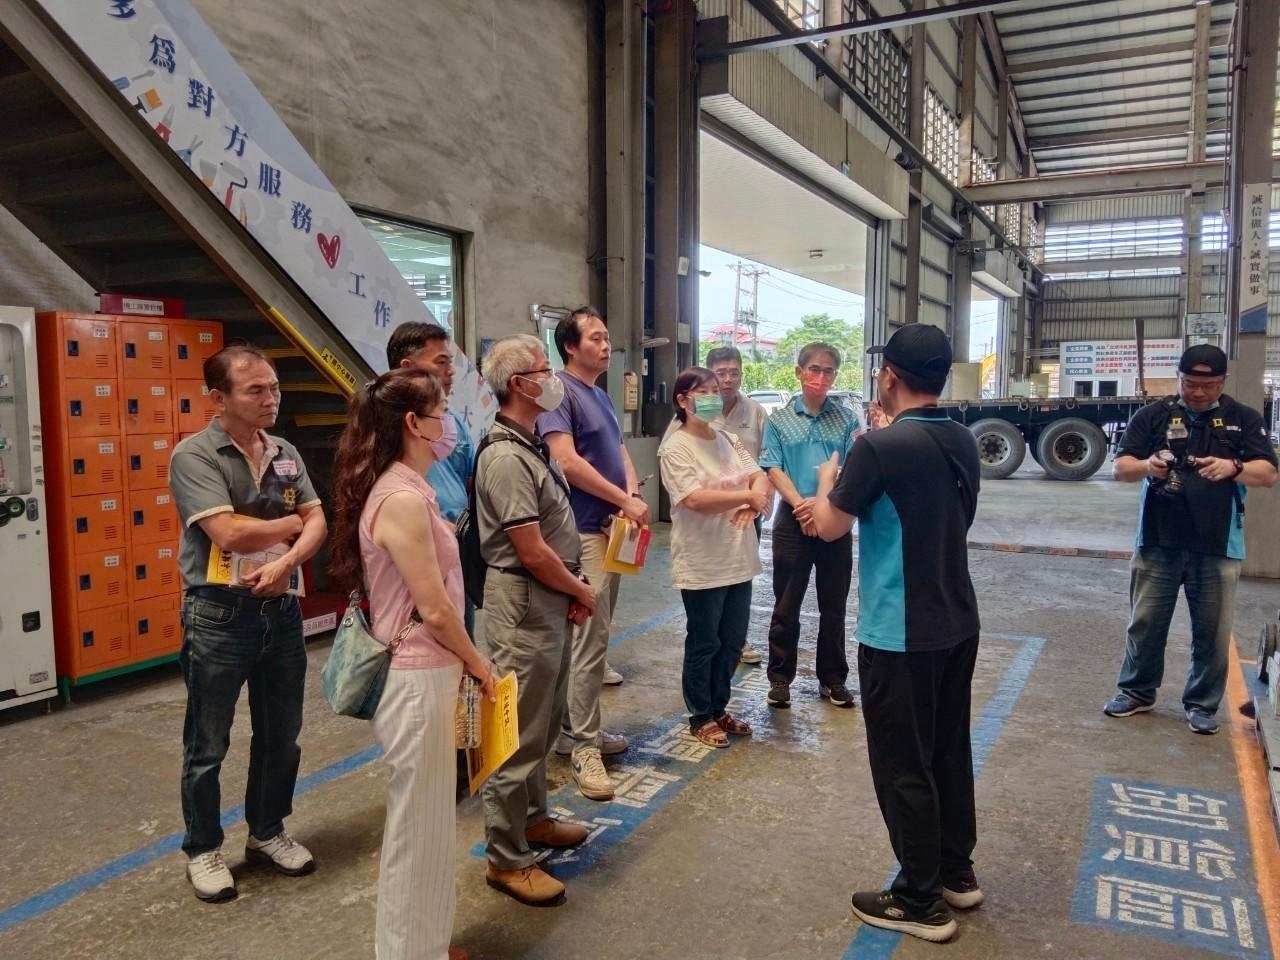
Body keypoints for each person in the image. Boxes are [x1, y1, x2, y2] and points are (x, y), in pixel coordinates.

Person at [811, 324, 982, 944]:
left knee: (902, 762)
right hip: (957, 618)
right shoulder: (962, 438)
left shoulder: (878, 449)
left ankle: (918, 898)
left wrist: (827, 480)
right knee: (947, 749)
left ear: (888, 377)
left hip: (900, 630)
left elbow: (829, 526)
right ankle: (955, 872)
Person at [329, 367, 496, 960]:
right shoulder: (400, 499)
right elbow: (437, 610)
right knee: (414, 830)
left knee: (430, 826)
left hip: (431, 673)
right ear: (413, 423)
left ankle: (428, 944)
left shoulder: (411, 488)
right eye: (441, 411)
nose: (449, 422)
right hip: (417, 678)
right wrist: (481, 665)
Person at [169, 344, 327, 902]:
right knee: (208, 742)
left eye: (274, 387)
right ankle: (203, 847)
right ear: (219, 398)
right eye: (255, 390)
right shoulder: (195, 456)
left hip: (280, 612)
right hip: (219, 615)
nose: (270, 399)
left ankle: (267, 831)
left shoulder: (284, 451)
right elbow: (229, 534)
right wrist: (292, 525)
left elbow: (320, 520)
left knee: (281, 735)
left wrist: (287, 560)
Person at [476, 335, 600, 906]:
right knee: (517, 733)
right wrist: (579, 587)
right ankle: (506, 858)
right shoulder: (505, 457)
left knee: (545, 722)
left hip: (548, 596)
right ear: (518, 385)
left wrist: (572, 585)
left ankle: (534, 820)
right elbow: (530, 550)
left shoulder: (528, 444)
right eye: (543, 371)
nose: (552, 380)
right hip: (525, 602)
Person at [1104, 344, 1278, 735]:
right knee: (1145, 623)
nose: (1198, 392)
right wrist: (1150, 465)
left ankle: (1202, 703)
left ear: (1222, 382)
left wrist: (1233, 467)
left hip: (1217, 545)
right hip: (1157, 539)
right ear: (1179, 378)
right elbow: (1121, 468)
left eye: (1208, 385)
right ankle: (1136, 691)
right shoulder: (1154, 415)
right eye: (1189, 384)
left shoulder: (1243, 419)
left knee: (1212, 632)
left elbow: (1268, 473)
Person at [537, 306, 646, 800]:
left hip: (611, 529)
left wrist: (631, 496)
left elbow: (619, 451)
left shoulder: (599, 394)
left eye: (606, 338)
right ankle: (583, 747)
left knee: (594, 640)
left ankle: (574, 732)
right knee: (586, 644)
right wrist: (623, 498)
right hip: (582, 533)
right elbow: (564, 460)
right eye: (595, 338)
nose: (605, 346)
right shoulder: (558, 394)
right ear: (569, 346)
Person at [658, 367, 770, 747]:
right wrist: (747, 497)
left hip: (738, 558)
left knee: (732, 641)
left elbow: (758, 475)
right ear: (682, 400)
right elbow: (694, 499)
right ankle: (701, 715)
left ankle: (719, 706)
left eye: (714, 390)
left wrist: (754, 501)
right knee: (705, 641)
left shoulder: (729, 438)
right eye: (702, 392)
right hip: (703, 562)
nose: (712, 397)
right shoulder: (676, 447)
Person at [757, 341, 859, 709]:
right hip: (793, 518)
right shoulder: (779, 420)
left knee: (834, 604)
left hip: (835, 516)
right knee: (787, 603)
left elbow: (853, 467)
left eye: (828, 371)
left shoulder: (847, 419)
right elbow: (772, 466)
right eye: (814, 369)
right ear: (799, 372)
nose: (820, 377)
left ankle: (833, 679)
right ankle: (780, 678)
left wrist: (823, 504)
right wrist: (801, 504)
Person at [386, 322, 477, 630]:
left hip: (455, 553)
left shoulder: (452, 423)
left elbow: (470, 479)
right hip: (413, 559)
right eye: (440, 362)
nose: (450, 371)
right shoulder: (383, 429)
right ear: (407, 368)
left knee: (459, 629)